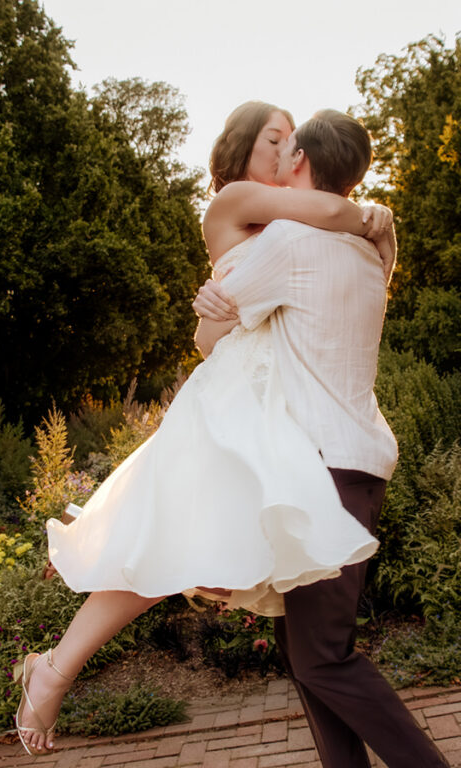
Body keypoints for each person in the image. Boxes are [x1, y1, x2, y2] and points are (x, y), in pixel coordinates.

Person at [13, 102, 397, 756]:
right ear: (245, 150)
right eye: (274, 139)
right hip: (237, 408)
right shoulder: (242, 201)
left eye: (292, 142)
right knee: (156, 544)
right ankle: (52, 672)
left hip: (273, 412)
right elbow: (331, 215)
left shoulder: (287, 223)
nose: (286, 152)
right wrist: (376, 219)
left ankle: (52, 669)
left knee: (171, 551)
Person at [195, 109, 446, 767]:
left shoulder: (288, 242)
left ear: (300, 156)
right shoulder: (370, 249)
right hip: (352, 466)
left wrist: (209, 305)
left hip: (326, 473)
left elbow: (216, 324)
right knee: (306, 656)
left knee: (324, 658)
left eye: (286, 143)